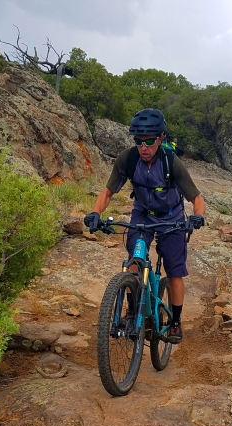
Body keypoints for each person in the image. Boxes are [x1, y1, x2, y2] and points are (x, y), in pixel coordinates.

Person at [84, 108, 206, 344]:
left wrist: (197, 217)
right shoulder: (128, 160)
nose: (144, 147)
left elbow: (197, 199)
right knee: (134, 259)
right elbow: (108, 192)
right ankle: (131, 309)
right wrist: (95, 213)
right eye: (138, 141)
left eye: (150, 141)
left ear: (161, 138)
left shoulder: (172, 163)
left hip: (172, 217)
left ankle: (176, 322)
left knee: (174, 270)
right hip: (142, 214)